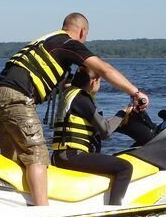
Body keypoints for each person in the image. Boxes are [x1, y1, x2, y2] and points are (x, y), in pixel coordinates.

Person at [0, 13, 149, 206]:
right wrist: (135, 93)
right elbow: (105, 69)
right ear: (82, 32)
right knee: (37, 155)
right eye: (85, 37)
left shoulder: (46, 41)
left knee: (14, 158)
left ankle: (11, 205)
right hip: (17, 97)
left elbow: (55, 79)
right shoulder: (68, 43)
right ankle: (43, 214)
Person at [51, 67, 134, 205]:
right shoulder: (82, 98)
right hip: (72, 156)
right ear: (93, 81)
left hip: (61, 155)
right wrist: (122, 114)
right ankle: (114, 210)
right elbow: (105, 130)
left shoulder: (69, 93)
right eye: (100, 81)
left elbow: (98, 126)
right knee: (125, 167)